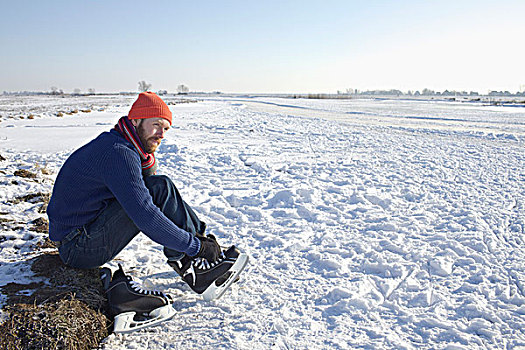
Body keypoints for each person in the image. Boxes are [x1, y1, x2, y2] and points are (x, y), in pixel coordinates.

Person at [47, 92, 247, 306]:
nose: (161, 134)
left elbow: (152, 186)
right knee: (151, 196)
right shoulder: (118, 153)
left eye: (166, 128)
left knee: (160, 185)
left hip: (83, 234)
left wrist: (147, 157)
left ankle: (199, 261)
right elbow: (145, 214)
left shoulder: (123, 144)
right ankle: (196, 259)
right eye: (156, 125)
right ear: (136, 120)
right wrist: (194, 246)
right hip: (78, 248)